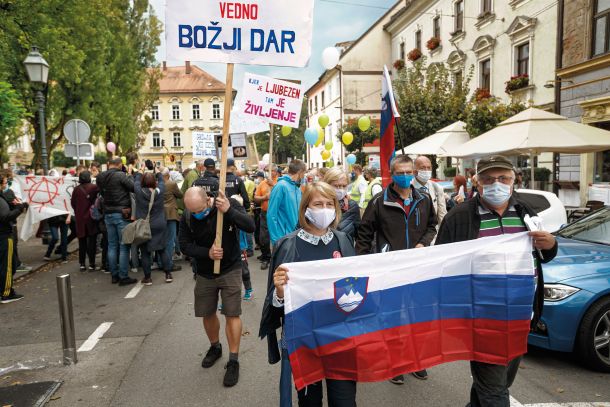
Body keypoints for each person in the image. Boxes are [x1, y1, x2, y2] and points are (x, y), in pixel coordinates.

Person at [435, 155, 558, 406]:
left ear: (513, 181)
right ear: (477, 183)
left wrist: (551, 244)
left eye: (503, 178)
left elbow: (542, 257)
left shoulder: (525, 211)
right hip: (481, 318)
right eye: (489, 179)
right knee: (494, 391)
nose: (496, 184)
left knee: (499, 383)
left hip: (519, 315)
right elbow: (442, 266)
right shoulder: (459, 218)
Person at [260, 182, 358, 407]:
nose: (324, 208)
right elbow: (274, 307)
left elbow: (356, 287)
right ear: (305, 208)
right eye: (317, 204)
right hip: (304, 338)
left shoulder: (343, 240)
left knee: (344, 401)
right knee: (309, 401)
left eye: (329, 203)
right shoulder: (287, 245)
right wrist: (281, 293)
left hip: (340, 336)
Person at [355, 154, 437, 383]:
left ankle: (415, 360)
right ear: (392, 174)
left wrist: (423, 243)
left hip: (418, 270)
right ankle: (395, 363)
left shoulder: (424, 199)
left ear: (413, 173)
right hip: (389, 270)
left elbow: (432, 225)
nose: (404, 176)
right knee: (391, 317)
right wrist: (363, 264)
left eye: (408, 172)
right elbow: (364, 234)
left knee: (417, 316)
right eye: (399, 173)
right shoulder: (379, 201)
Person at [180, 187, 255, 387]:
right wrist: (207, 253)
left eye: (199, 210)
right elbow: (184, 245)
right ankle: (215, 347)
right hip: (205, 272)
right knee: (207, 312)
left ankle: (233, 360)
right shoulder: (188, 215)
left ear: (208, 200)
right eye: (192, 211)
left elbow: (250, 226)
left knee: (232, 313)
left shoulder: (227, 203)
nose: (196, 214)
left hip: (230, 268)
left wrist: (229, 210)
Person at [96, 157, 137, 286]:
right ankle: (123, 276)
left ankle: (114, 275)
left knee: (112, 245)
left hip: (108, 214)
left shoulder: (100, 177)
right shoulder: (121, 175)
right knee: (124, 246)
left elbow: (101, 193)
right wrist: (130, 175)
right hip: (122, 213)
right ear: (120, 165)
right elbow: (133, 188)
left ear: (109, 164)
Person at [134, 171, 172, 285]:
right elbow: (161, 180)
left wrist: (140, 173)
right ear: (154, 182)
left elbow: (136, 181)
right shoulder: (159, 190)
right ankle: (168, 274)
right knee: (162, 249)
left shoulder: (139, 191)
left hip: (145, 225)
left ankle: (148, 278)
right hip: (159, 224)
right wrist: (159, 173)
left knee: (145, 252)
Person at [0, 174, 28, 303]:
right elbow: (5, 217)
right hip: (5, 236)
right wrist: (19, 208)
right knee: (7, 265)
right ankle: (6, 293)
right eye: (5, 182)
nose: (6, 185)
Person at [267, 159, 307, 245]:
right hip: (282, 238)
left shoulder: (297, 188)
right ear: (300, 172)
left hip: (296, 237)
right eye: (304, 173)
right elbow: (271, 214)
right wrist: (275, 240)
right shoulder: (280, 186)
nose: (304, 176)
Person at [71, 171, 99, 271]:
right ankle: (92, 264)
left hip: (80, 219)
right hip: (91, 218)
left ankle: (82, 264)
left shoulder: (76, 189)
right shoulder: (94, 187)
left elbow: (73, 203)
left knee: (82, 242)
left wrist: (79, 211)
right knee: (92, 242)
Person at [323, 167, 361, 241]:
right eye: (336, 186)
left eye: (344, 186)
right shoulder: (316, 204)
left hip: (344, 251)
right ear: (327, 184)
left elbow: (360, 234)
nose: (341, 189)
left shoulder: (352, 206)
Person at [254, 168, 278, 270]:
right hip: (265, 213)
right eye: (268, 170)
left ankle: (278, 258)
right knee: (263, 237)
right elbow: (255, 198)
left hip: (277, 213)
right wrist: (264, 197)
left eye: (272, 170)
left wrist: (273, 185)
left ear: (276, 172)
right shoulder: (262, 183)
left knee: (279, 237)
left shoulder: (280, 182)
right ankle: (266, 258)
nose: (270, 172)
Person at [413, 155, 447, 227]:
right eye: (422, 168)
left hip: (433, 233)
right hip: (414, 234)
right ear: (415, 171)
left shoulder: (437, 188)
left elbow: (442, 214)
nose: (426, 170)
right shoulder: (408, 188)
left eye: (429, 168)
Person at [162, 168, 183, 272]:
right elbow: (180, 195)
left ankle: (162, 262)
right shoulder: (171, 184)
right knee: (170, 240)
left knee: (163, 239)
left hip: (160, 214)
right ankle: (169, 264)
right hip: (171, 213)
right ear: (167, 175)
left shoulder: (158, 184)